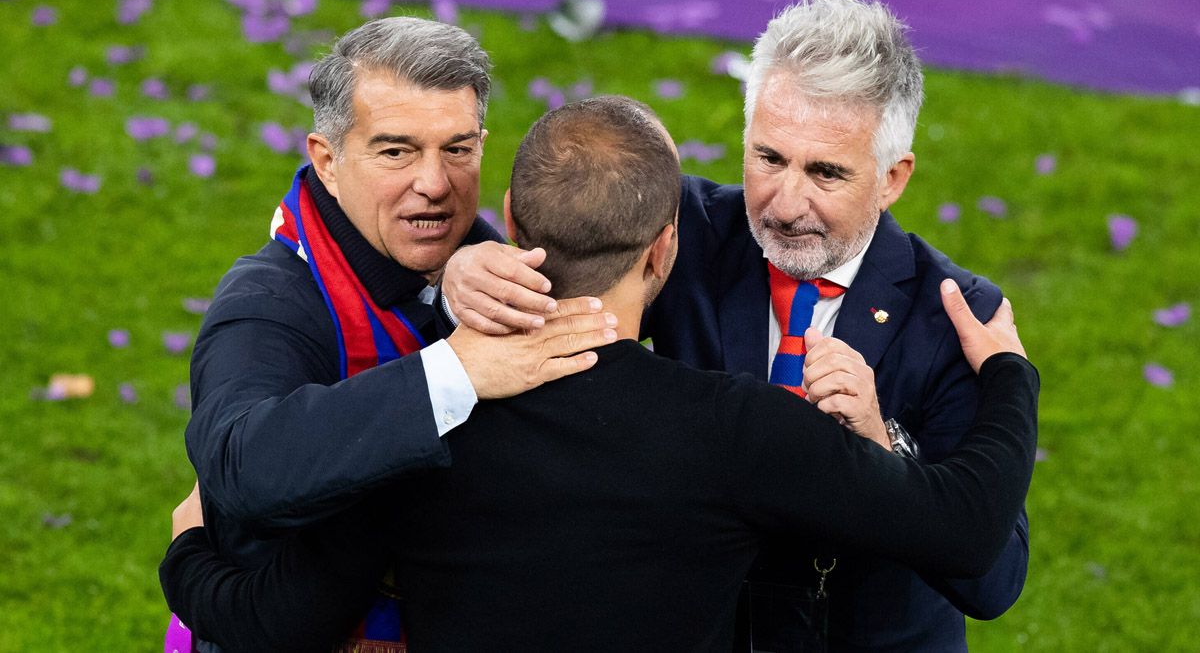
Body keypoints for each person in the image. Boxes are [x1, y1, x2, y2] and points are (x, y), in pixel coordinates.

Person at [161, 96, 1039, 653]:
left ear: (506, 220)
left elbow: (275, 620)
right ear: (665, 246)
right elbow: (964, 532)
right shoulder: (743, 431)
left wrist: (190, 549)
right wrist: (1007, 377)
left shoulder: (419, 425)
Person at [444, 0, 1029, 651]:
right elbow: (561, 243)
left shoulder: (956, 312)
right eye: (769, 158)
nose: (785, 203)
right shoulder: (680, 229)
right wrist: (468, 265)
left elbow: (993, 580)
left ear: (893, 177)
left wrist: (882, 438)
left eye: (826, 172)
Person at [179, 17, 613, 652]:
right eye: (396, 151)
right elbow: (244, 470)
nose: (434, 183)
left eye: (458, 149)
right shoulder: (267, 302)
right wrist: (455, 373)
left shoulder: (499, 267)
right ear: (326, 161)